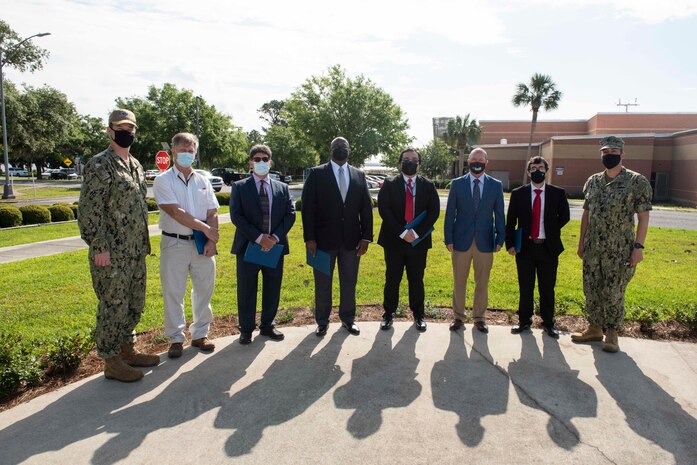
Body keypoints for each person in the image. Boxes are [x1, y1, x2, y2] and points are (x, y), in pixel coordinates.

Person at [78, 109, 159, 382]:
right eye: (122, 128)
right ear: (110, 130)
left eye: (131, 128)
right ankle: (111, 360)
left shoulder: (135, 164)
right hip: (111, 253)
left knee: (134, 302)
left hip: (135, 250)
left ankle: (127, 350)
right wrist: (99, 246)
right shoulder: (100, 164)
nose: (128, 133)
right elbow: (90, 210)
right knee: (113, 304)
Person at [572, 136, 652, 352]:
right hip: (593, 248)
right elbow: (587, 215)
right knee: (592, 288)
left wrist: (638, 247)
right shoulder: (593, 181)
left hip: (620, 250)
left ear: (622, 154)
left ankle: (613, 334)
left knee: (614, 291)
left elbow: (643, 218)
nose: (609, 156)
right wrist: (581, 243)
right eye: (605, 152)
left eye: (614, 152)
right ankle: (595, 328)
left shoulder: (637, 182)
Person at [152, 133, 220, 358]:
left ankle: (200, 334)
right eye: (183, 150)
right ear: (173, 152)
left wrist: (211, 239)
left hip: (202, 245)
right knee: (174, 291)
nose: (187, 154)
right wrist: (205, 229)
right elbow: (175, 211)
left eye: (191, 151)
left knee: (204, 290)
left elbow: (213, 211)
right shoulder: (163, 180)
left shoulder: (203, 180)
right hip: (175, 242)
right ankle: (176, 339)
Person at [301, 137, 374, 336]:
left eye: (344, 147)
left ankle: (348, 319)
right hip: (322, 242)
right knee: (322, 283)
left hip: (352, 241)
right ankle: (322, 321)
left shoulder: (359, 174)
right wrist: (309, 238)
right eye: (336, 147)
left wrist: (366, 237)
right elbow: (308, 209)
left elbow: (366, 208)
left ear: (349, 150)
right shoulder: (316, 174)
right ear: (330, 149)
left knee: (349, 281)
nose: (340, 149)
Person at [230, 144, 296, 344]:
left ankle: (268, 325)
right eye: (256, 159)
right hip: (249, 247)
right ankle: (247, 329)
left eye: (264, 159)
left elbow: (290, 215)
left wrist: (274, 238)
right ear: (250, 162)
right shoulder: (239, 187)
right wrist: (259, 238)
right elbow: (236, 216)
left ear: (270, 162)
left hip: (273, 248)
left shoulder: (282, 188)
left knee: (272, 287)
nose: (260, 162)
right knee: (246, 289)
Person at [505, 156, 570, 339]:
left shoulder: (557, 193)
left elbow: (564, 216)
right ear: (528, 172)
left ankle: (549, 322)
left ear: (546, 170)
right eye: (533, 168)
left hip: (548, 248)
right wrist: (510, 244)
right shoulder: (519, 194)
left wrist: (550, 227)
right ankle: (524, 320)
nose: (537, 171)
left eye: (540, 167)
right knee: (525, 287)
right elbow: (510, 221)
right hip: (525, 248)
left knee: (547, 288)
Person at [377, 148, 440, 332]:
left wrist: (417, 233)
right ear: (400, 162)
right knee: (392, 278)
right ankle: (388, 313)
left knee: (416, 279)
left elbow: (434, 212)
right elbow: (384, 210)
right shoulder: (389, 184)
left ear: (419, 163)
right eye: (406, 159)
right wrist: (403, 232)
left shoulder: (428, 185)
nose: (410, 162)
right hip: (394, 240)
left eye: (414, 159)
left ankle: (419, 314)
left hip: (418, 242)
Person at [443, 148, 505, 333]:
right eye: (474, 159)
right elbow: (449, 214)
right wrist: (448, 238)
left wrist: (500, 238)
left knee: (482, 282)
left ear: (486, 163)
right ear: (468, 162)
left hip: (485, 242)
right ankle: (458, 317)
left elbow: (499, 214)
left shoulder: (496, 185)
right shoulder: (457, 184)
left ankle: (479, 318)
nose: (477, 162)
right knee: (459, 281)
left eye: (481, 159)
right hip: (460, 241)